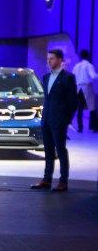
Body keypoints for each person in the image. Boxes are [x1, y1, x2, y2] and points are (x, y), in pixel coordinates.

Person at [32, 49, 79, 192]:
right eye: (48, 58)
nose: (49, 61)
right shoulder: (46, 77)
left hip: (59, 120)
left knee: (60, 150)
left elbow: (72, 102)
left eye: (52, 58)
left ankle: (63, 181)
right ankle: (47, 179)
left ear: (59, 60)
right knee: (48, 150)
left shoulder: (67, 78)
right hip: (46, 119)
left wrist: (66, 119)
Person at [72, 49, 97, 132]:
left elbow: (73, 77)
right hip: (87, 87)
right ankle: (94, 127)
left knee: (79, 108)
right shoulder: (89, 65)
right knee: (92, 107)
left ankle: (80, 127)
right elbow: (93, 76)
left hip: (78, 88)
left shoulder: (76, 66)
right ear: (88, 56)